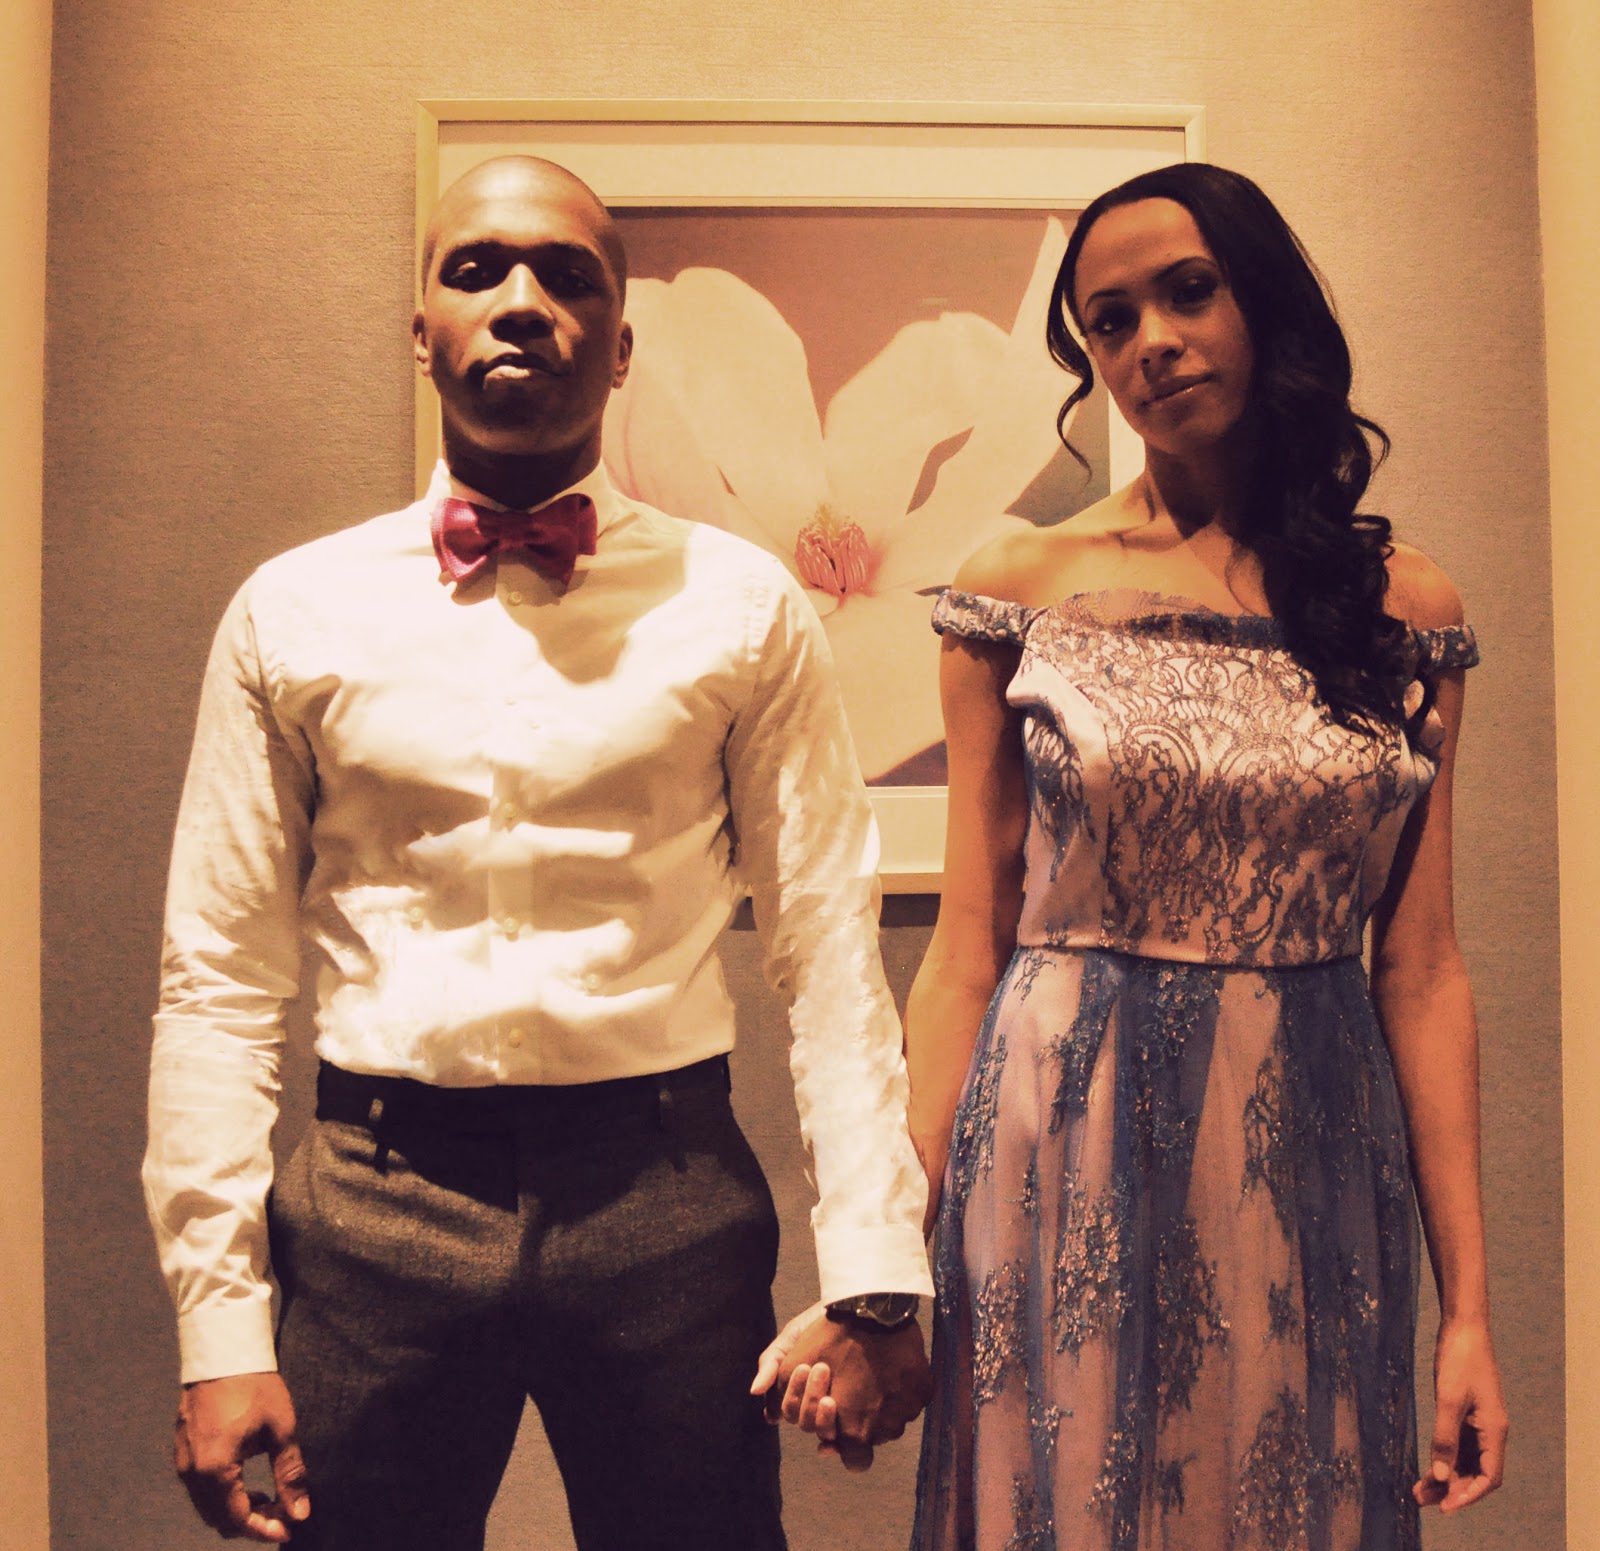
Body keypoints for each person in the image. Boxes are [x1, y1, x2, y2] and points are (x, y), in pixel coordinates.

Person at [143, 154, 934, 1551]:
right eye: (477, 270)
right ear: (423, 330)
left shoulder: (745, 608)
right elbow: (217, 979)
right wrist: (219, 1328)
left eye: (567, 275)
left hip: (665, 1203)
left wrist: (874, 1276)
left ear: (621, 347)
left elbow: (826, 956)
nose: (521, 301)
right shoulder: (292, 610)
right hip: (371, 1201)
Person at [777, 161, 1510, 1545]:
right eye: (1109, 322)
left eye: (1188, 293)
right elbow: (966, 955)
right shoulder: (1019, 586)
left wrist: (1469, 1312)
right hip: (1063, 1135)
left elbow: (1421, 970)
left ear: (1266, 306)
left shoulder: (1404, 606)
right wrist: (881, 1273)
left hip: (1311, 1139)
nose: (1151, 343)